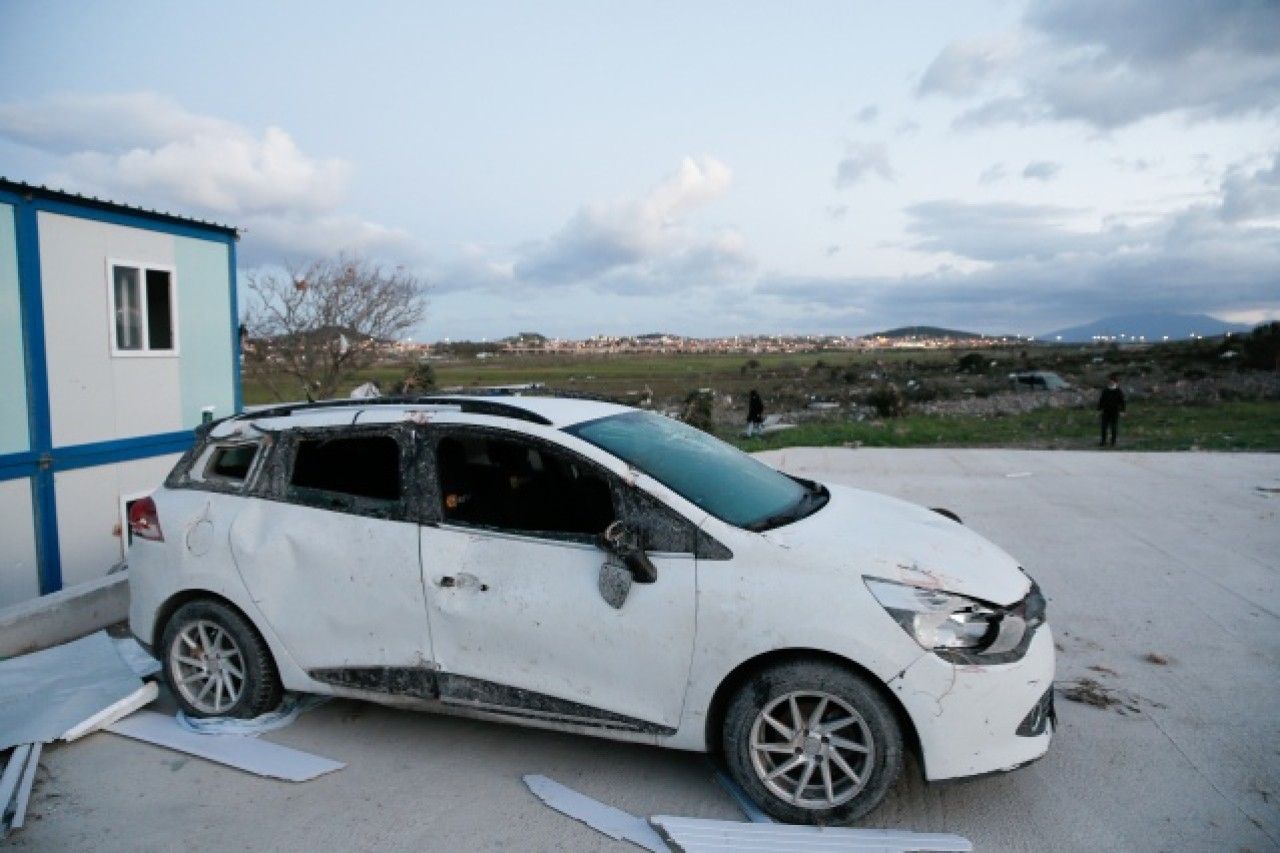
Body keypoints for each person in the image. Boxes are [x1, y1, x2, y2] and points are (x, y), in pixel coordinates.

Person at [1097, 373, 1126, 447]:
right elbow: (1101, 400)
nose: (1111, 382)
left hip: (1114, 411)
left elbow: (1122, 401)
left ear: (1115, 382)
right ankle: (1103, 442)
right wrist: (1099, 409)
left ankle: (1113, 442)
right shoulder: (1105, 390)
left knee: (1113, 428)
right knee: (1104, 427)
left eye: (1112, 381)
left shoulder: (1118, 391)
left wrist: (1122, 410)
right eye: (1110, 381)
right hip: (1105, 411)